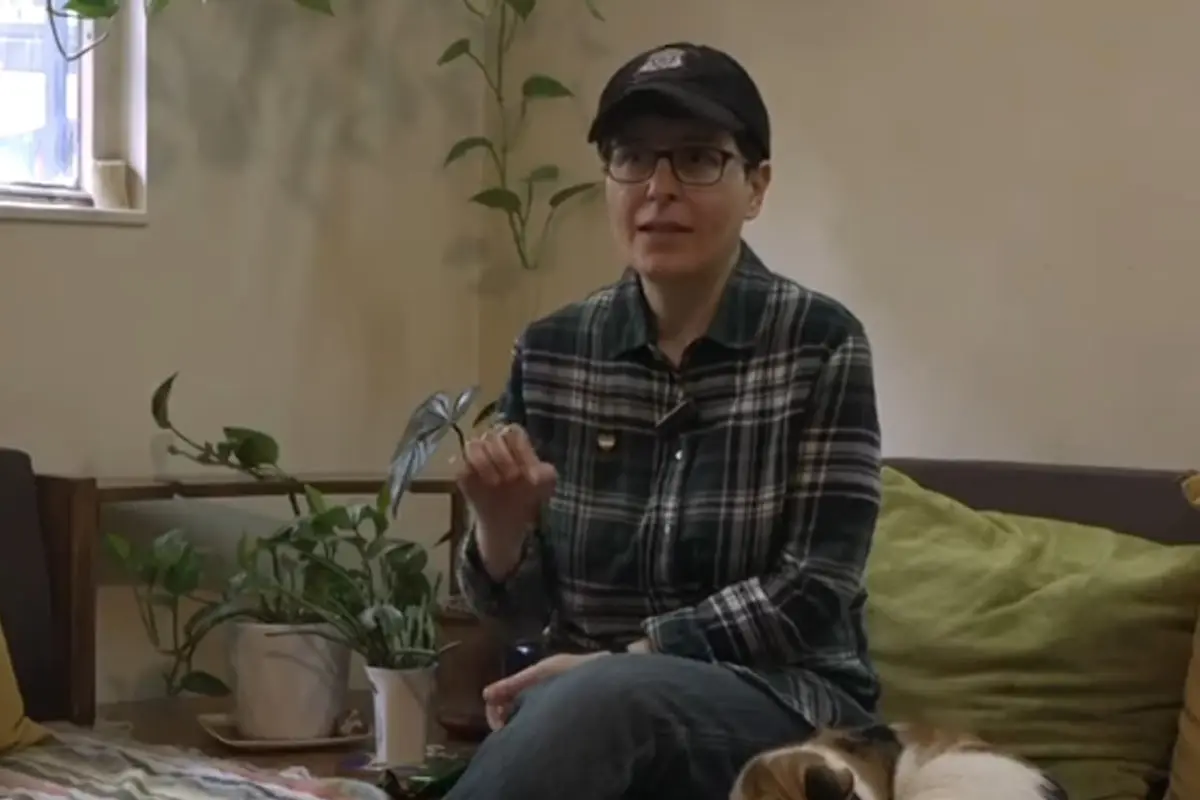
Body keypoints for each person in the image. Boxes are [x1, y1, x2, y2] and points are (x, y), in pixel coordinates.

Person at [445, 41, 883, 800]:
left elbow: (814, 586)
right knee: (587, 707)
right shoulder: (552, 350)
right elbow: (520, 614)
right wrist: (500, 531)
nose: (659, 188)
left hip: (787, 708)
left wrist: (631, 660)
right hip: (586, 706)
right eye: (633, 157)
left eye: (698, 159)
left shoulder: (821, 342)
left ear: (756, 186)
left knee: (609, 700)